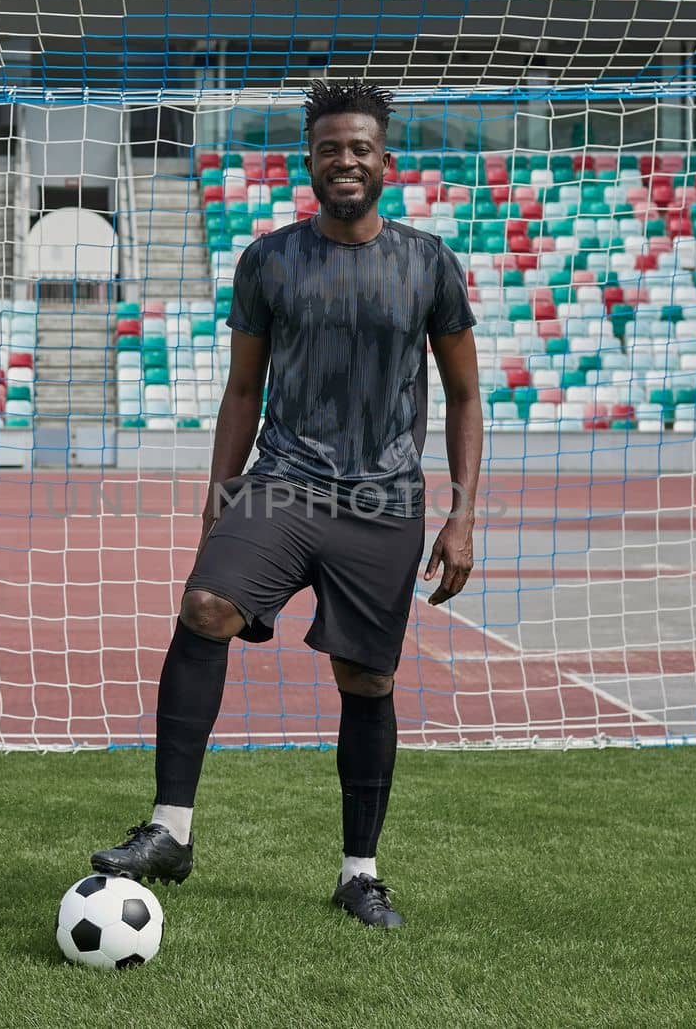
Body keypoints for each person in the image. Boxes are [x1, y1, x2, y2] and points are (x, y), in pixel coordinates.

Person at [89, 79, 483, 928]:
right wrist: (220, 495)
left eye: (360, 148)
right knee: (204, 606)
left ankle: (359, 872)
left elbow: (463, 396)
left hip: (383, 501)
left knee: (366, 677)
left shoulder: (428, 264)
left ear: (386, 161)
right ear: (308, 162)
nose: (346, 161)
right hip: (282, 481)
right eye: (330, 148)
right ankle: (170, 829)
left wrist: (463, 511)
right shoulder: (268, 260)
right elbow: (241, 389)